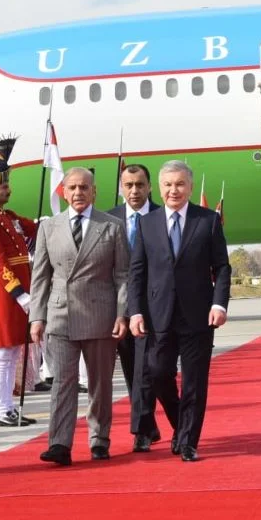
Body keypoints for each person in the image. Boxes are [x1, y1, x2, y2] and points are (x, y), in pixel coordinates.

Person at [128, 160, 231, 462]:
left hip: (198, 315)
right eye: (168, 185)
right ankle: (180, 423)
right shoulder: (147, 224)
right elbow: (137, 272)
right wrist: (135, 312)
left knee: (194, 382)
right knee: (158, 373)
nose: (174, 190)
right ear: (159, 189)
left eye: (180, 184)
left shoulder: (208, 220)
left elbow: (222, 267)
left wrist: (219, 303)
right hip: (158, 316)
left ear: (189, 186)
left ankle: (187, 441)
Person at [31, 167, 130, 465]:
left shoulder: (111, 226)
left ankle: (99, 439)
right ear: (63, 191)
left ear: (94, 191)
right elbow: (40, 276)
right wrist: (37, 316)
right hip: (60, 314)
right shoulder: (49, 228)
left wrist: (122, 314)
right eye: (72, 187)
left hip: (100, 314)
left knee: (99, 383)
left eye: (84, 187)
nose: (78, 193)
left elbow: (123, 276)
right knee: (62, 381)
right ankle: (60, 443)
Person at [0, 143, 39, 427]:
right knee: (3, 352)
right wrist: (19, 294)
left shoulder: (8, 217)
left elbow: (36, 228)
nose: (9, 190)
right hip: (7, 294)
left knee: (13, 351)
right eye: (4, 187)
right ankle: (1, 410)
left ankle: (8, 407)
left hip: (19, 292)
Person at [107, 163, 163, 452]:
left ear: (149, 186)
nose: (134, 191)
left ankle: (141, 429)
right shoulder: (108, 219)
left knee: (147, 369)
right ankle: (148, 424)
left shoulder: (161, 216)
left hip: (154, 308)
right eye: (128, 185)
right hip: (119, 310)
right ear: (121, 188)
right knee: (132, 370)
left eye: (140, 185)